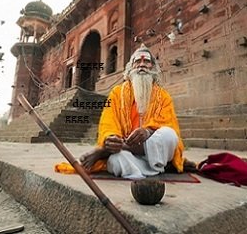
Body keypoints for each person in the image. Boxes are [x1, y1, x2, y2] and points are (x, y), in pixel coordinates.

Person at [55, 44, 192, 177]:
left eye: (147, 61)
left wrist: (148, 131)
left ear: (153, 67)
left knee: (169, 135)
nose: (142, 64)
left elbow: (168, 124)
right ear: (131, 67)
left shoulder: (163, 96)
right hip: (132, 157)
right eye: (137, 61)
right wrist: (111, 138)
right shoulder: (117, 93)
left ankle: (106, 152)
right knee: (116, 161)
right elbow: (108, 121)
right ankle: (151, 169)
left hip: (156, 151)